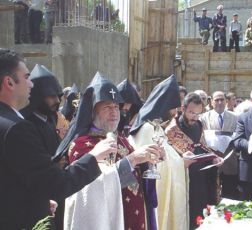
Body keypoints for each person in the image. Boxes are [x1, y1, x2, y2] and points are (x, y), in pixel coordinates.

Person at [0, 49, 119, 229]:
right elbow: (57, 184)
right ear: (9, 82)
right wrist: (94, 157)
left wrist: (37, 200)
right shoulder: (17, 129)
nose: (31, 84)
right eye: (26, 77)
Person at [60, 72, 164, 230]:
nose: (114, 112)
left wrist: (149, 160)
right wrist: (133, 159)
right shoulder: (81, 145)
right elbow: (92, 188)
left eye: (116, 107)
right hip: (108, 220)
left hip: (134, 217)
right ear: (93, 111)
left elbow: (133, 173)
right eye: (107, 107)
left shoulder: (120, 139)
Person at [129, 75, 193, 230]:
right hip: (150, 196)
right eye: (174, 108)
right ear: (163, 106)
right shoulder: (148, 129)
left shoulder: (155, 127)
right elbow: (155, 167)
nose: (175, 112)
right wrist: (181, 163)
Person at [165, 92, 223, 229]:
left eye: (198, 114)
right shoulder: (172, 130)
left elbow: (203, 146)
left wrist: (214, 158)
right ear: (183, 108)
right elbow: (169, 157)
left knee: (202, 213)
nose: (195, 118)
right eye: (191, 113)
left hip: (202, 178)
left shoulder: (199, 124)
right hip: (184, 180)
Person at [19, 64, 64, 229]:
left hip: (56, 187)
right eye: (51, 96)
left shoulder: (50, 119)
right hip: (38, 193)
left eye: (58, 96)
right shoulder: (25, 124)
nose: (57, 101)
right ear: (38, 96)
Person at [200, 91, 238, 199]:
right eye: (216, 100)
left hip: (229, 161)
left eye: (222, 100)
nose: (220, 102)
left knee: (230, 195)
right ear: (211, 102)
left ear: (226, 101)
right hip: (211, 161)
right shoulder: (203, 118)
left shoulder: (235, 117)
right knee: (211, 194)